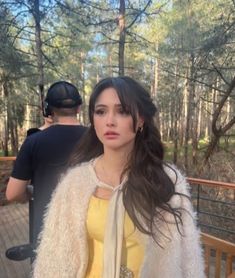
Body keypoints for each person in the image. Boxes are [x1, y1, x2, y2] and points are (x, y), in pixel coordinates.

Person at [33, 77, 205, 278]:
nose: (110, 121)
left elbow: (188, 258)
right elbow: (53, 258)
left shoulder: (167, 181)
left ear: (140, 119)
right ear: (93, 119)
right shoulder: (74, 183)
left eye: (122, 111)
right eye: (101, 111)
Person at [6, 81, 87, 252]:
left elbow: (13, 193)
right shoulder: (97, 139)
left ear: (49, 110)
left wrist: (30, 192)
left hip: (48, 233)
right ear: (79, 108)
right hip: (88, 230)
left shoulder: (33, 141)